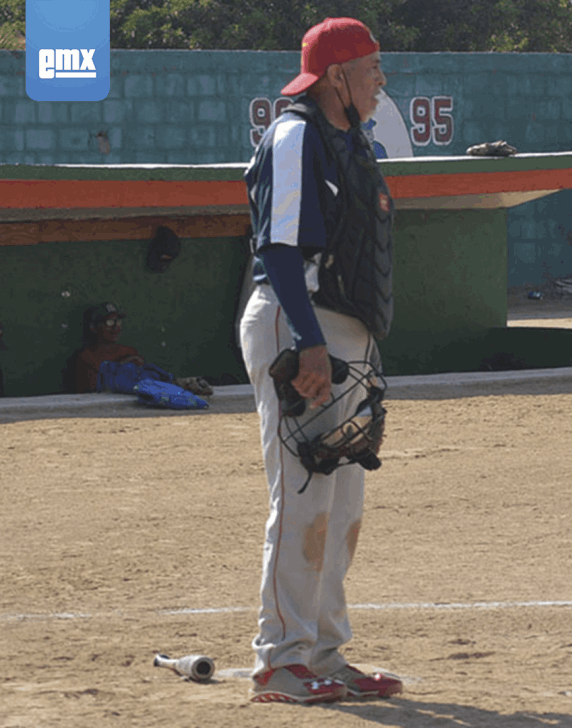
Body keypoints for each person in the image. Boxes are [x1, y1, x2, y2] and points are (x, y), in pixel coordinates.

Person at [240, 17, 399, 704]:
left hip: (341, 330)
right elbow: (279, 250)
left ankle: (325, 654)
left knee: (343, 503)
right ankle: (279, 660)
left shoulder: (350, 139)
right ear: (336, 77)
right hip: (296, 323)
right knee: (303, 500)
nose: (379, 79)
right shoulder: (297, 135)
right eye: (369, 68)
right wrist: (306, 342)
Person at [72, 302, 212, 396]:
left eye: (118, 321)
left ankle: (179, 384)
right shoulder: (87, 357)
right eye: (109, 322)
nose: (115, 327)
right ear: (93, 327)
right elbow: (92, 391)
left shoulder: (128, 351)